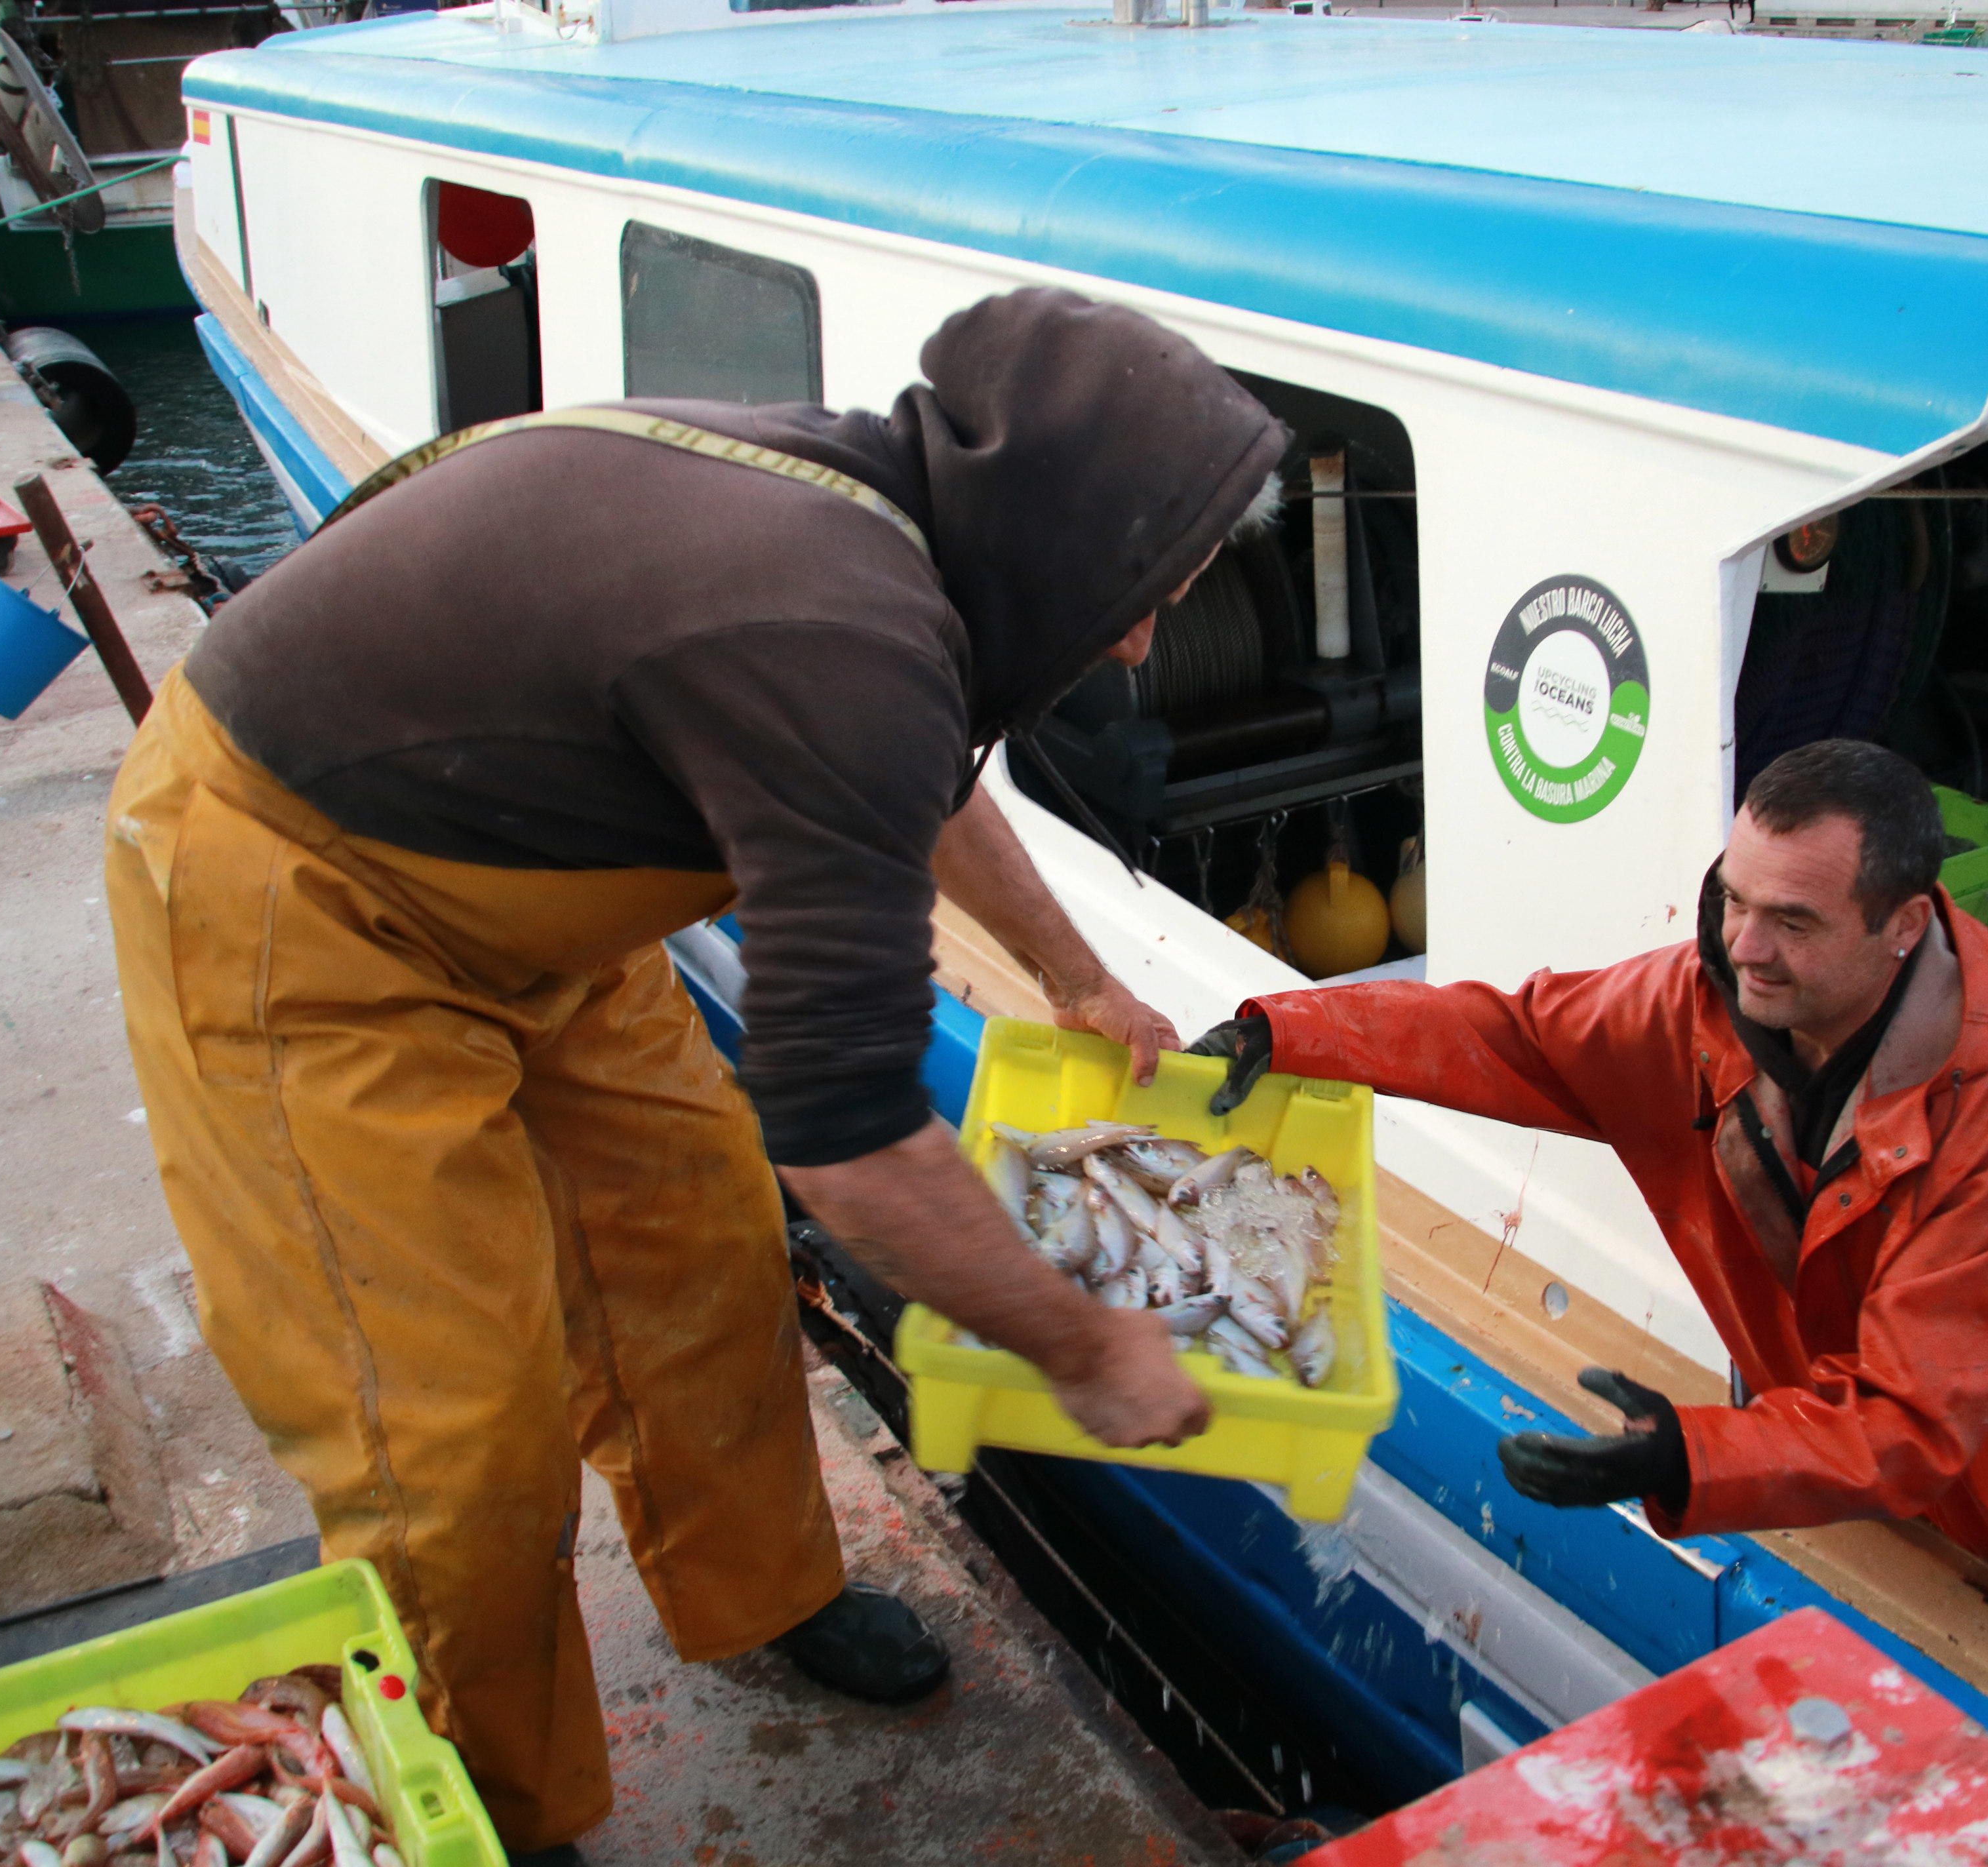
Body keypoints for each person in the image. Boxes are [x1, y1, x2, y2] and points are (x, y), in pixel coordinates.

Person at [104, 287, 1289, 1855]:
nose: (1141, 637)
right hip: (302, 899)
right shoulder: (827, 623)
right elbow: (851, 1138)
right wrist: (1084, 1345)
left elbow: (914, 766)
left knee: (700, 1233)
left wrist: (1073, 975)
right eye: (1142, 589)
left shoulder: (901, 538)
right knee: (447, 1433)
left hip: (526, 886)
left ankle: (762, 1590)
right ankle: (495, 1808)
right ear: (1061, 537)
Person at [1191, 739, 1988, 1674]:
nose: (1747, 948)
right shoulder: (1698, 1006)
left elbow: (1917, 1419)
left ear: (1903, 926)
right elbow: (1507, 1037)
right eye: (1734, 900)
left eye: (1795, 921)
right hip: (1812, 1461)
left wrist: (1689, 1457)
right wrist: (1288, 1031)